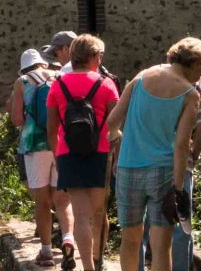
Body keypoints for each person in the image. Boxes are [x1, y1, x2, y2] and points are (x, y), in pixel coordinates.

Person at [108, 37, 201, 271]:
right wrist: (177, 189)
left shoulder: (141, 77)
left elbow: (112, 120)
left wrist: (116, 136)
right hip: (163, 172)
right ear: (194, 63)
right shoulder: (190, 94)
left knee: (130, 240)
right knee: (161, 245)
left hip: (128, 168)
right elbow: (181, 146)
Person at [47, 34, 121, 271]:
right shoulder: (106, 84)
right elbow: (116, 125)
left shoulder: (57, 84)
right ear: (91, 56)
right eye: (99, 54)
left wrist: (58, 157)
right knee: (98, 213)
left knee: (80, 215)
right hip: (100, 153)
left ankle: (88, 267)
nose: (101, 58)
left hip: (68, 154)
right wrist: (116, 151)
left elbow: (51, 129)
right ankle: (99, 262)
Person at [7, 49, 74, 267]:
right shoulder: (58, 77)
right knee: (63, 200)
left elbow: (17, 120)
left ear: (24, 67)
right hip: (61, 143)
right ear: (42, 63)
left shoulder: (22, 81)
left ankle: (46, 252)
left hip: (35, 145)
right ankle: (68, 240)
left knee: (42, 201)